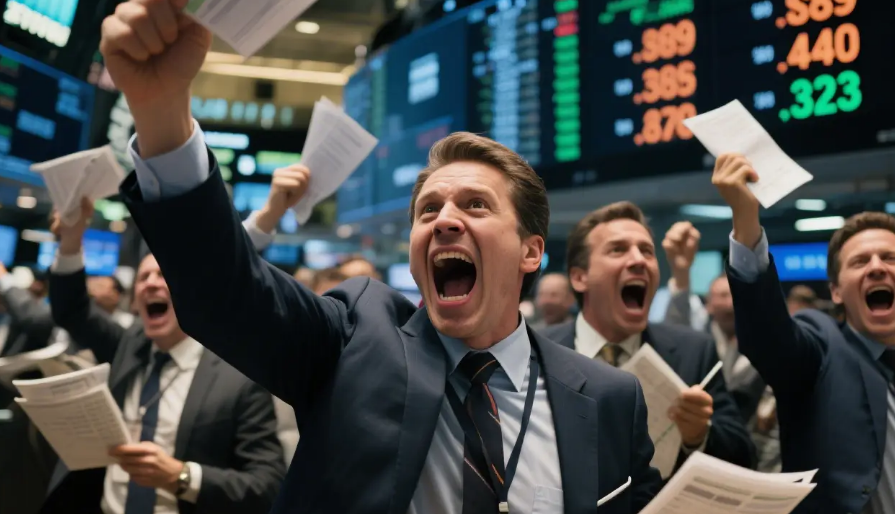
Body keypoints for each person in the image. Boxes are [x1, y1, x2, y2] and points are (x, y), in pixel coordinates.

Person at [100, 2, 663, 512]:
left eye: (475, 205)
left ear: (531, 252)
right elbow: (225, 292)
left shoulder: (610, 398)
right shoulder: (354, 339)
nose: (444, 220)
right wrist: (162, 113)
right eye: (428, 210)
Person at [42, 200, 285, 514]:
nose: (151, 284)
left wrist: (181, 477)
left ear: (190, 293)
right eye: (143, 277)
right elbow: (72, 310)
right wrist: (71, 241)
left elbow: (269, 486)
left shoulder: (239, 379)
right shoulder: (128, 347)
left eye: (164, 274)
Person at [714, 152, 895, 514]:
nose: (877, 268)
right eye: (860, 261)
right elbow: (768, 337)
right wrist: (746, 219)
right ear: (836, 292)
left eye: (889, 258)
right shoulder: (822, 345)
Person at [542, 202, 756, 472]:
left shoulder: (693, 352)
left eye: (646, 251)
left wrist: (699, 434)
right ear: (579, 277)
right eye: (618, 249)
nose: (639, 260)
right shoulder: (538, 352)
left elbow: (744, 456)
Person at [661, 222, 776, 471]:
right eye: (723, 296)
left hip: (759, 452)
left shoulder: (768, 341)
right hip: (706, 448)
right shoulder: (699, 344)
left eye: (734, 295)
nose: (730, 303)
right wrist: (681, 274)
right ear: (709, 305)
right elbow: (675, 327)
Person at [0, 264, 56, 359]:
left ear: (38, 285)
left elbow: (31, 316)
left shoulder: (41, 316)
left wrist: (4, 278)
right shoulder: (9, 315)